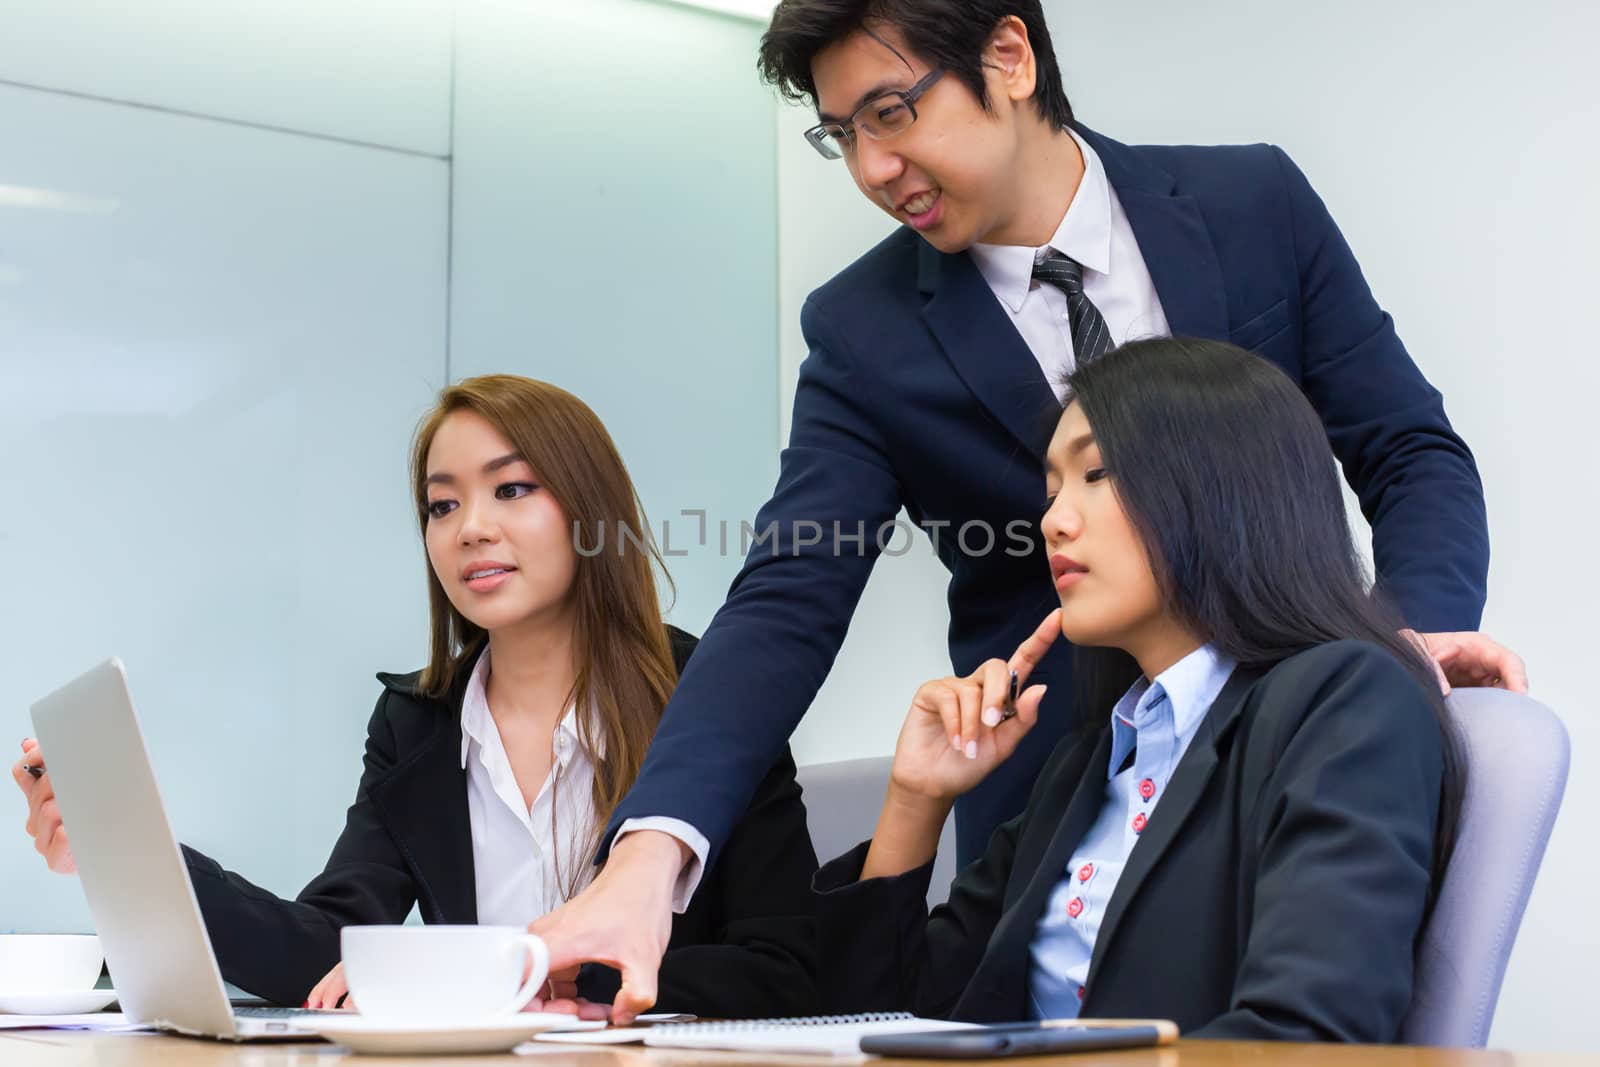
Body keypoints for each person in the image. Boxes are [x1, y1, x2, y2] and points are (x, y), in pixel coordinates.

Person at [531, 0, 1526, 1024]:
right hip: (1065, 785)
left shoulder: (1251, 204)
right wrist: (649, 857)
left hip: (1291, 769)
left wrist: (1396, 647)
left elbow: (1408, 450)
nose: (871, 169)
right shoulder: (864, 331)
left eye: (890, 112)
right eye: (841, 136)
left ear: (1008, 56)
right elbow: (789, 594)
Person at [13, 375, 818, 1018]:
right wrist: (136, 856)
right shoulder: (418, 722)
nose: (469, 527)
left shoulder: (710, 696)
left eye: (511, 490)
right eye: (442, 504)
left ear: (588, 512)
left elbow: (786, 970)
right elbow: (326, 949)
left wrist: (534, 981)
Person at [817, 336, 1463, 1041]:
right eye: (1052, 489)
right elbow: (881, 1022)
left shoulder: (1343, 702)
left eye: (1097, 472)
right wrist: (918, 799)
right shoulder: (1092, 759)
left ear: (1223, 482)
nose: (1053, 519)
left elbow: (1305, 1033)